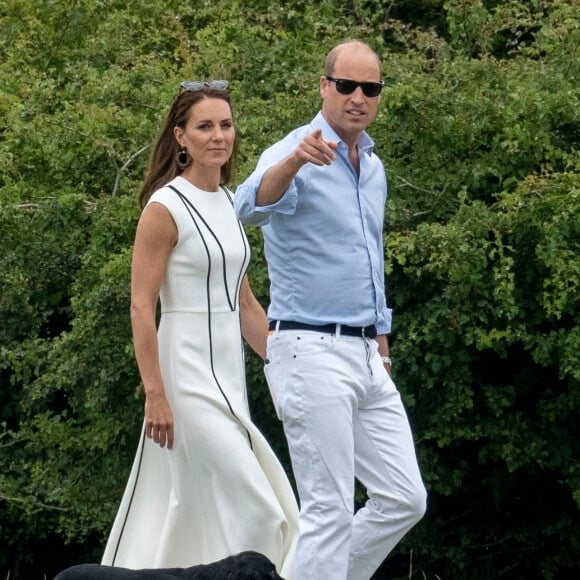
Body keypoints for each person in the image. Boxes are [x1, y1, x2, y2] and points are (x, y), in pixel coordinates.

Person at [234, 41, 427, 580]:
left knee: (404, 498)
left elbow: (372, 257)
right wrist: (295, 162)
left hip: (366, 351)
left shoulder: (375, 167)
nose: (358, 98)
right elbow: (247, 206)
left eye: (371, 88)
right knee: (329, 511)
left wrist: (381, 339)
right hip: (308, 348)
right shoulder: (297, 149)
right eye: (346, 86)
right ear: (324, 87)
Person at [101, 80, 298, 578]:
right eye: (205, 126)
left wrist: (293, 365)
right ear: (180, 137)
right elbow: (141, 307)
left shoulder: (229, 201)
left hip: (228, 376)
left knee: (201, 509)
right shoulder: (164, 207)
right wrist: (155, 394)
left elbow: (245, 303)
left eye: (225, 125)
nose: (218, 136)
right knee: (262, 509)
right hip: (182, 376)